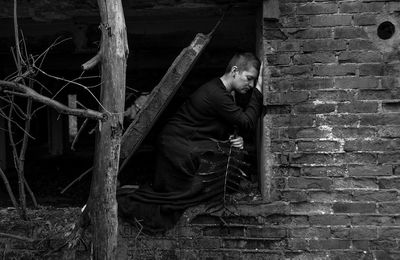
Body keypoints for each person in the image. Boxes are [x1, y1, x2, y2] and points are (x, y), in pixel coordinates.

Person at [117, 52, 264, 233]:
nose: (249, 85)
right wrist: (258, 89)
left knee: (230, 156)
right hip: (177, 147)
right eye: (248, 79)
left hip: (185, 144)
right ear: (235, 71)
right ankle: (130, 199)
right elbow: (247, 122)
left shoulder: (224, 93)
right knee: (223, 164)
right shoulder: (215, 93)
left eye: (253, 81)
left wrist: (235, 138)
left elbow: (228, 125)